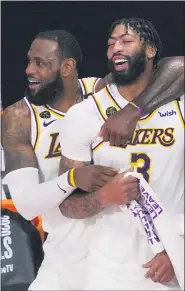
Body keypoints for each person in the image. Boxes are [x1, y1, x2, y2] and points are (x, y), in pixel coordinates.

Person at [2, 27, 184, 289]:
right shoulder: (19, 117)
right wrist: (72, 179)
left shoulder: (100, 90)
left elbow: (173, 67)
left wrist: (133, 110)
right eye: (29, 61)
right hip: (65, 249)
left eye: (40, 63)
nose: (29, 70)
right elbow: (25, 206)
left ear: (67, 67)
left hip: (118, 244)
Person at [58, 18, 184, 290]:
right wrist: (104, 196)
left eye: (126, 41)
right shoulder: (83, 115)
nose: (116, 48)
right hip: (108, 267)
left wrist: (178, 249)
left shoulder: (180, 106)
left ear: (150, 51)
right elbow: (65, 203)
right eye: (110, 43)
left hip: (174, 261)